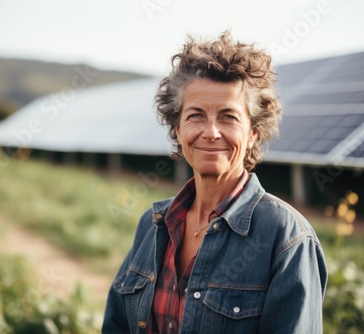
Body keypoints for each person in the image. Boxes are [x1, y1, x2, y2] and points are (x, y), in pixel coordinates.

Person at [103, 31, 327, 334]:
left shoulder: (286, 239)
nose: (211, 132)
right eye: (196, 115)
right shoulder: (153, 224)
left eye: (228, 117)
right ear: (177, 128)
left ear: (253, 134)